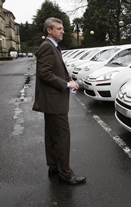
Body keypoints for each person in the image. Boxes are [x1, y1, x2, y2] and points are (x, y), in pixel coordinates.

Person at [32, 17, 86, 185]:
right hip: (54, 102)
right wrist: (66, 84)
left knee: (52, 136)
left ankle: (54, 166)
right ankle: (66, 174)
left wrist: (69, 82)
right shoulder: (48, 47)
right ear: (49, 30)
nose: (63, 31)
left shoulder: (51, 46)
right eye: (59, 28)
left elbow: (52, 70)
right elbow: (45, 73)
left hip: (51, 101)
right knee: (62, 137)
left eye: (62, 28)